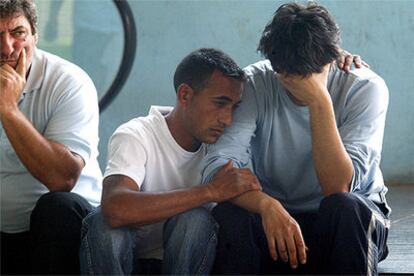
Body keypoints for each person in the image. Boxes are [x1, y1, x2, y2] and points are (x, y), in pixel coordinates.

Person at [202, 2, 390, 275]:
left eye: (308, 77)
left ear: (332, 58)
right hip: (279, 219)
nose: (296, 87)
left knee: (345, 208)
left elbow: (339, 187)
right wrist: (266, 205)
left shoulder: (364, 88)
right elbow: (220, 168)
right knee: (230, 216)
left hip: (348, 222)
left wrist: (319, 101)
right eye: (287, 77)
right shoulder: (255, 83)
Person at [79, 48, 261, 275]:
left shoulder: (224, 148)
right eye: (220, 103)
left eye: (234, 107)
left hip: (186, 263)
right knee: (104, 225)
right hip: (128, 261)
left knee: (195, 220)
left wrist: (272, 210)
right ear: (185, 95)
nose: (227, 119)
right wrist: (210, 191)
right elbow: (116, 208)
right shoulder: (136, 134)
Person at [0, 0, 102, 274]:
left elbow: (62, 178)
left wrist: (8, 109)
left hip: (64, 227)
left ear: (35, 34)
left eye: (18, 33)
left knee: (56, 208)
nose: (7, 48)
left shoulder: (69, 82)